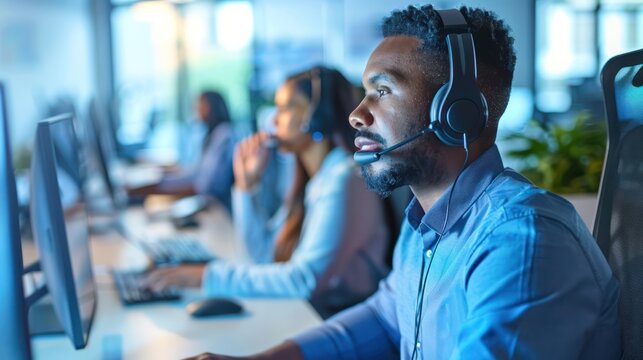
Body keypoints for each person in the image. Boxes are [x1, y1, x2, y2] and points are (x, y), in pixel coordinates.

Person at [184, 4, 621, 360]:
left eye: (383, 91)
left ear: (457, 111)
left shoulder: (521, 240)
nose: (357, 114)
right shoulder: (424, 225)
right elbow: (386, 315)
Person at [145, 66, 391, 318]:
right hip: (307, 314)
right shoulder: (313, 179)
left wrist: (204, 276)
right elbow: (263, 256)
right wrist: (246, 186)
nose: (273, 120)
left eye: (285, 108)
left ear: (318, 116)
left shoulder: (346, 179)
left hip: (339, 322)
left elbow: (303, 280)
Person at [128, 91, 236, 213]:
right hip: (205, 201)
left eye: (200, 106)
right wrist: (165, 176)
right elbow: (197, 171)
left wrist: (159, 186)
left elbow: (205, 185)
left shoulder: (223, 135)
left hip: (215, 207)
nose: (196, 110)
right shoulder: (210, 134)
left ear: (212, 107)